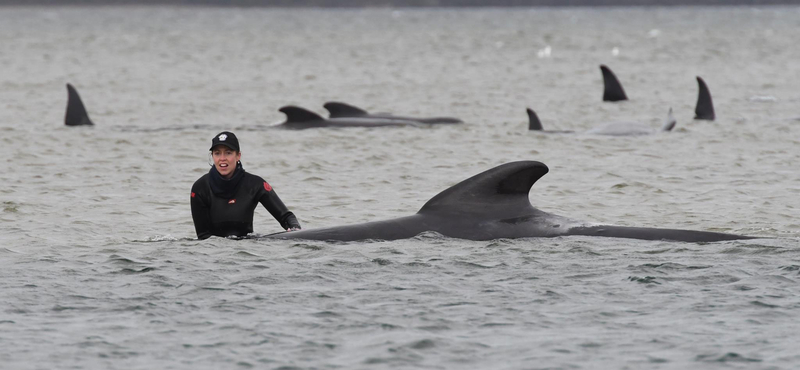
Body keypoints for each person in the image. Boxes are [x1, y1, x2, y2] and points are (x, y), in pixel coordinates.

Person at [191, 131, 301, 239]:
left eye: (228, 152)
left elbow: (286, 217)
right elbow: (203, 237)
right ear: (212, 156)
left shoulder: (255, 184)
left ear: (238, 155)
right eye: (217, 153)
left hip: (247, 250)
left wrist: (296, 230)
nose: (222, 158)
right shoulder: (200, 188)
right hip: (214, 254)